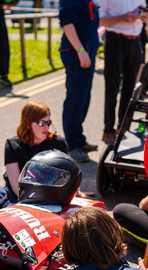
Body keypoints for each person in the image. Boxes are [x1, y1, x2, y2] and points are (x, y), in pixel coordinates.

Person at [0, 101, 69, 215]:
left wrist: (76, 192)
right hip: (15, 193)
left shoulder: (58, 143)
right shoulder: (13, 144)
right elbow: (15, 186)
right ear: (28, 123)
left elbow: (67, 174)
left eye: (48, 122)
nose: (47, 127)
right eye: (41, 123)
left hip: (47, 196)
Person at [99, 0, 148, 145]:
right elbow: (98, 21)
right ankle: (108, 130)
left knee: (130, 90)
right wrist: (123, 18)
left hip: (135, 42)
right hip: (115, 41)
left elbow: (140, 14)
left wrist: (144, 16)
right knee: (112, 88)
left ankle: (122, 129)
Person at [58, 0, 100, 162]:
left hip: (87, 52)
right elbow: (66, 21)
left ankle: (78, 138)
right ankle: (71, 144)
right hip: (78, 53)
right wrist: (80, 50)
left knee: (84, 97)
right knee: (76, 98)